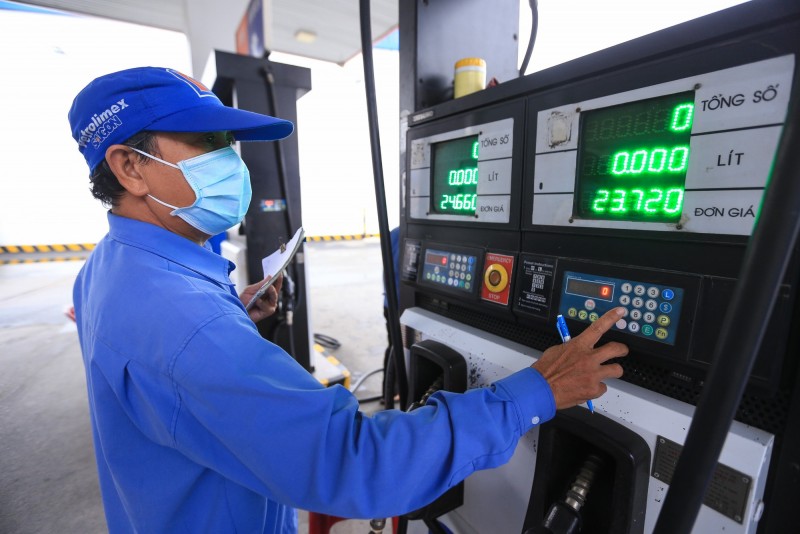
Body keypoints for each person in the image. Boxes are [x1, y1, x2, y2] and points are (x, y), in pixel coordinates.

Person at [68, 67, 628, 534]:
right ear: (129, 166)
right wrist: (537, 390)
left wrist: (231, 315)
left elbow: (167, 374)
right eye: (207, 141)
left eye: (227, 142)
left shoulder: (110, 268)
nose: (231, 159)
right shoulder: (187, 323)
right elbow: (356, 463)